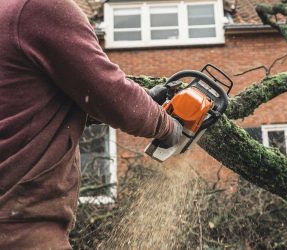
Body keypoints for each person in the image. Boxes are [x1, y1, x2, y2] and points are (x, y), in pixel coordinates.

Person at [0, 0, 183, 248]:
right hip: (20, 227)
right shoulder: (39, 8)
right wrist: (169, 128)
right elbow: (108, 93)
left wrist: (145, 99)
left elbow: (28, 106)